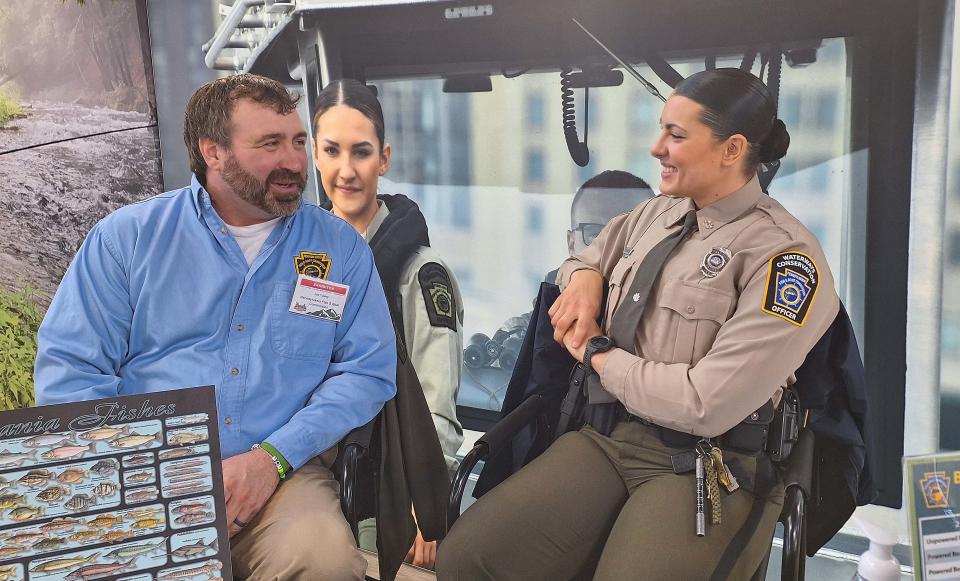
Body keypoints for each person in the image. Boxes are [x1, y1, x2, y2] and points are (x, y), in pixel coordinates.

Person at [436, 68, 840, 580]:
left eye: (676, 135)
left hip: (711, 466)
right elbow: (583, 257)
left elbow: (706, 403)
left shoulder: (785, 258)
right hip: (609, 437)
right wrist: (583, 279)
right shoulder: (657, 213)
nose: (656, 148)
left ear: (732, 149)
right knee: (469, 557)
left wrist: (599, 355)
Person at [34, 74, 397, 581]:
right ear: (213, 152)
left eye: (297, 142)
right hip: (142, 471)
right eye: (269, 145)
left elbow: (367, 372)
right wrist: (153, 473)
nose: (294, 162)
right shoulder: (126, 240)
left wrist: (270, 460)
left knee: (325, 562)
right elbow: (71, 372)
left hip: (277, 471)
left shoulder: (340, 250)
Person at [312, 78, 464, 569]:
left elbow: (435, 394)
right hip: (314, 469)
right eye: (332, 150)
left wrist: (427, 504)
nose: (346, 170)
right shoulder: (301, 259)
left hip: (387, 481)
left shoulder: (420, 272)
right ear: (315, 154)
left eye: (362, 152)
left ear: (385, 158)